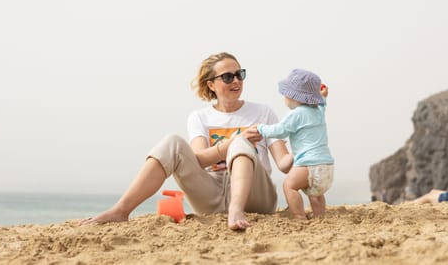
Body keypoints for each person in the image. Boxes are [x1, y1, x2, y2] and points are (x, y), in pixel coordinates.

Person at [79, 52, 293, 230]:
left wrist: (308, 149)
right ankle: (121, 210)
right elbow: (198, 160)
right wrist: (230, 143)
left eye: (240, 74)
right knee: (172, 142)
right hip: (211, 193)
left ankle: (236, 211)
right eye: (228, 77)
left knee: (241, 144)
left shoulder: (263, 112)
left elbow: (283, 162)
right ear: (211, 84)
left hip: (255, 197)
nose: (236, 80)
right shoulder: (200, 117)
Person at [254, 69, 334, 220]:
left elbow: (280, 130)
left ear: (293, 96)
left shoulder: (297, 114)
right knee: (315, 194)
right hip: (327, 166)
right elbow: (323, 105)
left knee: (289, 186)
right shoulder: (318, 110)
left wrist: (260, 128)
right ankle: (320, 217)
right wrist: (323, 97)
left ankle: (298, 216)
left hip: (308, 164)